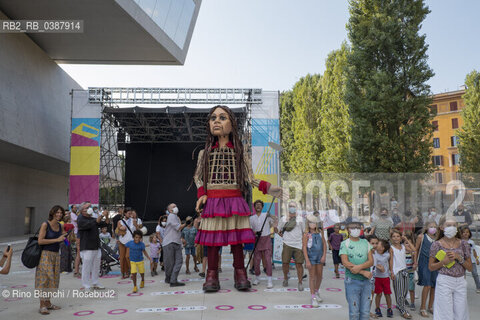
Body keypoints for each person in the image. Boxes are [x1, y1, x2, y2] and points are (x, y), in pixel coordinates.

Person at [193, 105, 284, 292]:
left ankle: (240, 272)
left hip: (235, 200)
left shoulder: (240, 153)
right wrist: (202, 194)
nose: (216, 121)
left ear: (232, 124)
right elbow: (198, 177)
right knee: (212, 242)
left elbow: (250, 179)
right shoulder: (205, 153)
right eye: (213, 118)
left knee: (237, 241)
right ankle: (211, 274)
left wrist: (269, 188)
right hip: (213, 201)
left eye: (222, 117)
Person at [428, 217, 472, 320]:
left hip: (461, 281)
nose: (451, 227)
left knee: (461, 313)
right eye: (448, 225)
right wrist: (443, 262)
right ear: (442, 227)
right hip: (444, 281)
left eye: (454, 225)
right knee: (444, 313)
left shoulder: (464, 244)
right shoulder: (436, 244)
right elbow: (430, 267)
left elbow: (470, 268)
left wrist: (459, 258)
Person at [340, 221, 374, 320]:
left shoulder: (365, 242)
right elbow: (345, 262)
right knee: (354, 312)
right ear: (347, 230)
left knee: (365, 312)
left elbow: (371, 261)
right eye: (353, 227)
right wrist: (363, 271)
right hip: (352, 281)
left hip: (366, 282)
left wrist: (358, 268)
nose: (356, 229)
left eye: (358, 227)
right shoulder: (345, 244)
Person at [36, 205, 66, 315]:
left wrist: (66, 238)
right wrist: (56, 239)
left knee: (53, 279)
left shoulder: (60, 226)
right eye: (57, 212)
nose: (59, 215)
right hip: (45, 255)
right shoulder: (45, 224)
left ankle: (48, 303)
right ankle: (42, 305)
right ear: (52, 213)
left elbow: (63, 241)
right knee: (44, 279)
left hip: (55, 255)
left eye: (61, 213)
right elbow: (40, 241)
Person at [78, 202, 108, 291]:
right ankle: (86, 285)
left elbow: (104, 224)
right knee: (86, 267)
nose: (89, 208)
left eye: (90, 206)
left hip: (96, 245)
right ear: (82, 210)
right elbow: (93, 223)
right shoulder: (80, 219)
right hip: (87, 246)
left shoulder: (92, 218)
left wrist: (106, 216)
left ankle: (95, 282)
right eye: (87, 207)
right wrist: (101, 216)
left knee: (96, 266)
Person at [277, 201, 306, 291]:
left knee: (299, 264)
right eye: (290, 206)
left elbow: (304, 232)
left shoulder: (300, 219)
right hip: (287, 244)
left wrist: (304, 244)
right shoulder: (283, 219)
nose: (292, 208)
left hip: (298, 244)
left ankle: (300, 282)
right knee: (285, 263)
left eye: (293, 206)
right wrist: (283, 236)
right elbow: (278, 230)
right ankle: (286, 278)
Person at [390, 229, 415, 319]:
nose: (396, 238)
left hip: (405, 271)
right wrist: (392, 272)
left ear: (401, 237)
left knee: (404, 291)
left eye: (398, 236)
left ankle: (400, 305)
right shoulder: (391, 248)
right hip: (397, 272)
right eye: (394, 236)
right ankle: (403, 310)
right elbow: (391, 260)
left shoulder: (403, 246)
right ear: (391, 238)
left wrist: (406, 240)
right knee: (399, 292)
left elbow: (414, 249)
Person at [250, 199, 275, 288]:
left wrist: (270, 215)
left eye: (260, 205)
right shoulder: (251, 218)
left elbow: (274, 222)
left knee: (268, 260)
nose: (258, 206)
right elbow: (250, 230)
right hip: (257, 240)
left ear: (262, 206)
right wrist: (255, 232)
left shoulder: (266, 215)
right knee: (256, 261)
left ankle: (269, 280)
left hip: (267, 239)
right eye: (256, 205)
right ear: (254, 206)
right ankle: (257, 278)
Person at [302, 214, 327, 307]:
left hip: (320, 257)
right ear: (308, 224)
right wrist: (307, 260)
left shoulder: (321, 232)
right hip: (311, 257)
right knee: (312, 277)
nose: (312, 224)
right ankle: (313, 297)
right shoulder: (306, 234)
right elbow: (304, 247)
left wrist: (324, 255)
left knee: (319, 275)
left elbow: (324, 244)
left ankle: (316, 291)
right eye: (310, 222)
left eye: (314, 222)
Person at [415, 221, 438, 318]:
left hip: (436, 263)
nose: (433, 228)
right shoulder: (421, 236)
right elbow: (416, 249)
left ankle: (430, 306)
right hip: (424, 262)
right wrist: (415, 262)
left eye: (434, 226)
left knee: (434, 286)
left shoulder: (437, 238)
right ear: (426, 227)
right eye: (431, 226)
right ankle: (422, 307)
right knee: (427, 285)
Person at [163, 203, 186, 287]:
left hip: (175, 242)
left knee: (174, 262)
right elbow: (178, 227)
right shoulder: (172, 216)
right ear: (170, 210)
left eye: (176, 206)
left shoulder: (175, 217)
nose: (176, 207)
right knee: (172, 263)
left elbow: (178, 229)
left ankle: (171, 279)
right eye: (173, 207)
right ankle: (171, 279)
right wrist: (186, 223)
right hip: (170, 242)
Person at [373, 239, 393, 318]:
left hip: (385, 277)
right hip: (377, 277)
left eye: (378, 244)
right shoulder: (374, 253)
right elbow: (373, 263)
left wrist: (390, 271)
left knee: (387, 294)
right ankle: (377, 308)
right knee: (378, 293)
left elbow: (389, 259)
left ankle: (389, 308)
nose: (376, 245)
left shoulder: (387, 254)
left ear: (383, 248)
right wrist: (378, 267)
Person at [460, 226, 480, 293]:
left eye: (467, 232)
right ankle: (462, 287)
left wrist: (477, 259)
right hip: (463, 260)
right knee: (463, 274)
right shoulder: (460, 241)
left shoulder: (471, 242)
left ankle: (478, 287)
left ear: (469, 233)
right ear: (461, 233)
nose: (465, 233)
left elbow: (474, 251)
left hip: (472, 261)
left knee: (475, 273)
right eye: (464, 232)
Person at [117, 209, 134, 279]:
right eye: (128, 213)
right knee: (122, 258)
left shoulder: (133, 221)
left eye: (131, 213)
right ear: (125, 213)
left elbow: (138, 229)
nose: (130, 215)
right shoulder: (120, 221)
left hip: (130, 241)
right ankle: (124, 272)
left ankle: (132, 271)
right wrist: (121, 227)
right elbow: (118, 229)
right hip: (122, 241)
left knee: (128, 257)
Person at [403, 230, 417, 311]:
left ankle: (412, 303)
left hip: (411, 273)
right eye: (406, 243)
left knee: (411, 289)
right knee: (403, 288)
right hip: (403, 273)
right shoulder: (402, 252)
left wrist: (407, 240)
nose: (408, 245)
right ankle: (404, 300)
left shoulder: (412, 253)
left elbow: (414, 250)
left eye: (409, 243)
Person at [70, 204, 82, 278]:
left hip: (77, 234)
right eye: (74, 208)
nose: (76, 209)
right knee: (77, 252)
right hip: (75, 235)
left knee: (77, 253)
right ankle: (76, 270)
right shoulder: (73, 215)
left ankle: (76, 270)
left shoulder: (76, 215)